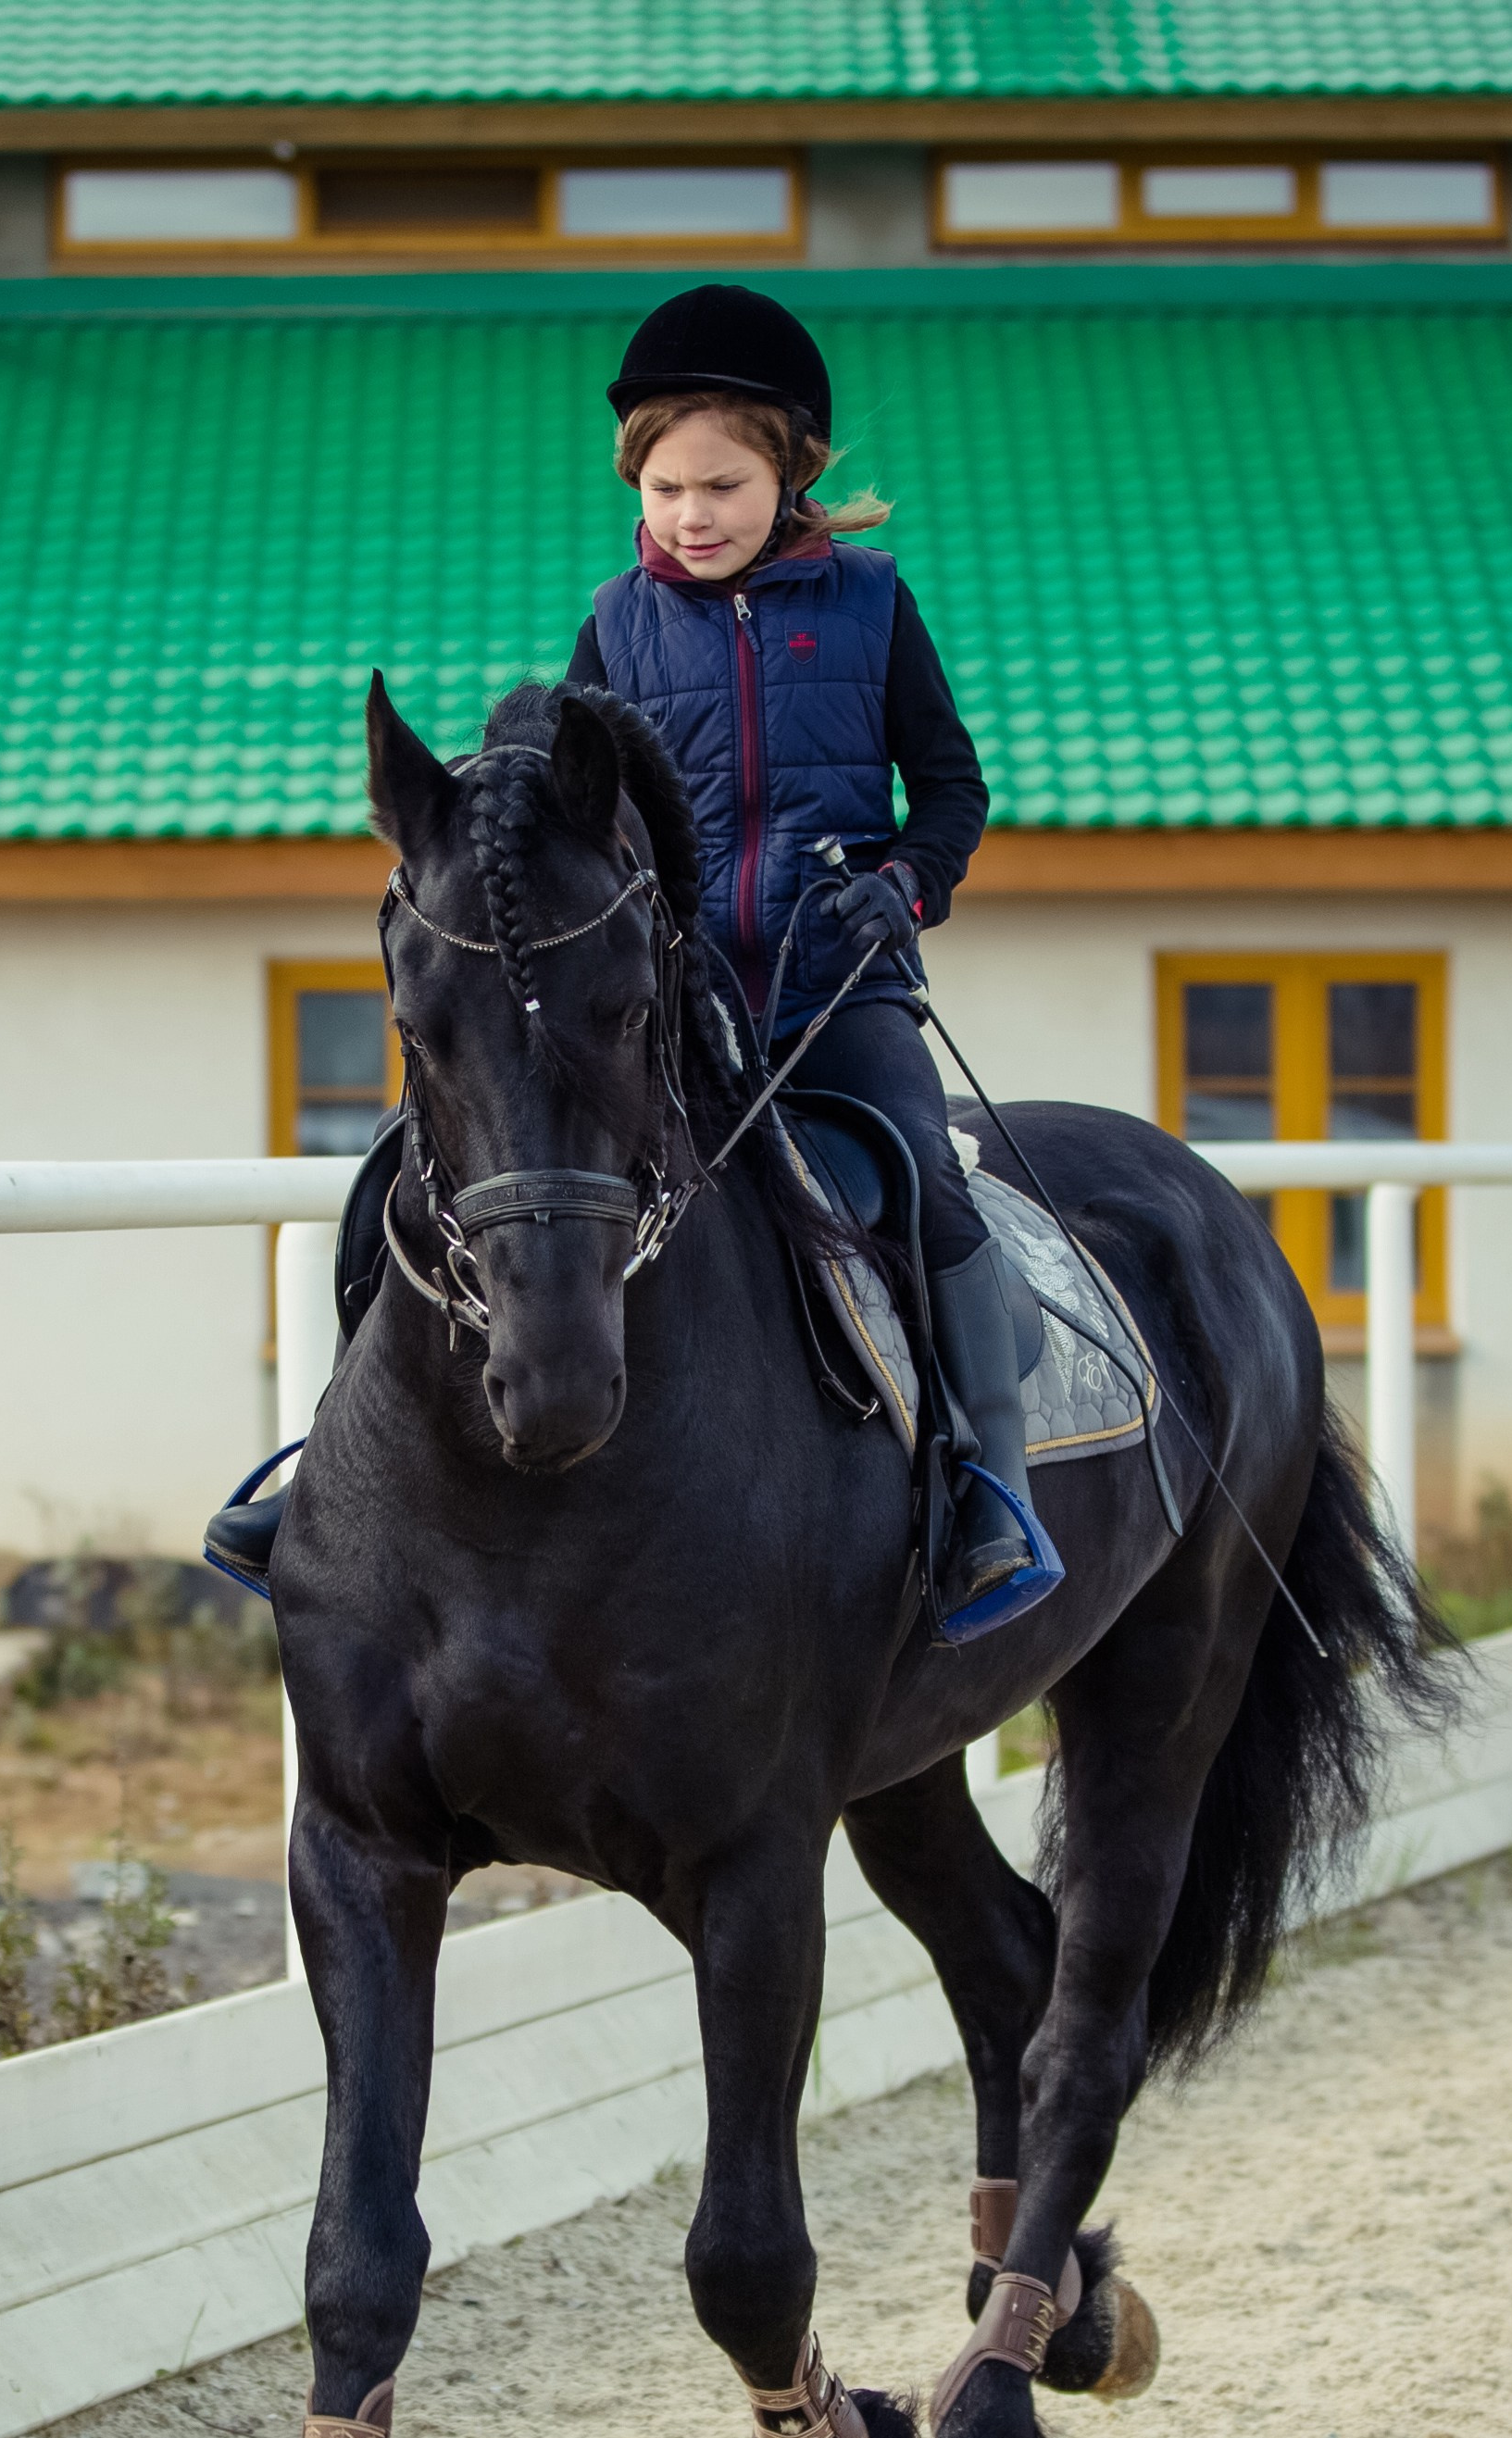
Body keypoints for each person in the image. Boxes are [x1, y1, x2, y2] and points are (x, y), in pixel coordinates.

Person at [569, 281, 1052, 1619]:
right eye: (665, 489)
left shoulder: (872, 606)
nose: (690, 515)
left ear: (790, 471)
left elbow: (951, 791)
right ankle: (335, 1464)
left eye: (719, 484)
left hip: (841, 987)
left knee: (926, 1191)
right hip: (677, 1001)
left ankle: (985, 1488)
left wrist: (906, 884)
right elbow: (576, 815)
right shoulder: (614, 627)